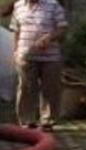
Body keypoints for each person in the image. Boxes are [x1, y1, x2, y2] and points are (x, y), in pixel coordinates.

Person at [10, 0, 67, 131]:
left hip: (51, 58)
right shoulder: (18, 6)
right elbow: (16, 30)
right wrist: (15, 52)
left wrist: (49, 37)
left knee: (50, 89)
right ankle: (26, 121)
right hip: (26, 56)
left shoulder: (53, 5)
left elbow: (62, 28)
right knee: (26, 88)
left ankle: (47, 121)